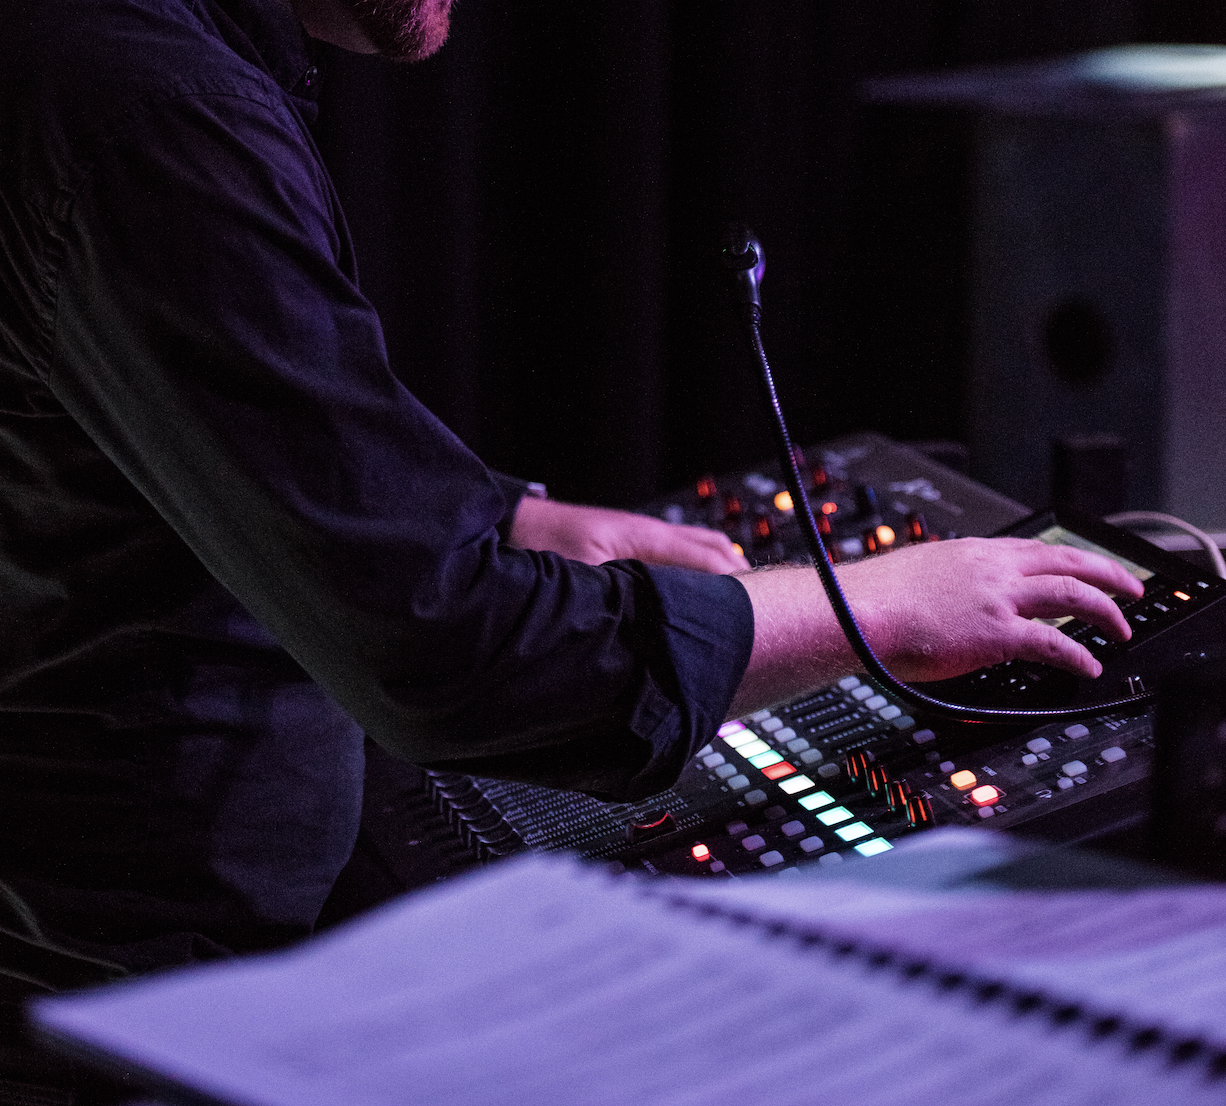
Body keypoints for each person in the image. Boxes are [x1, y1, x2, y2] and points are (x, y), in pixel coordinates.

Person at [0, 0, 1141, 1094]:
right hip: (113, 1013)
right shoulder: (146, 105)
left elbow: (202, 449)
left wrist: (503, 518)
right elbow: (448, 645)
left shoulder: (121, 60)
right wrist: (871, 610)